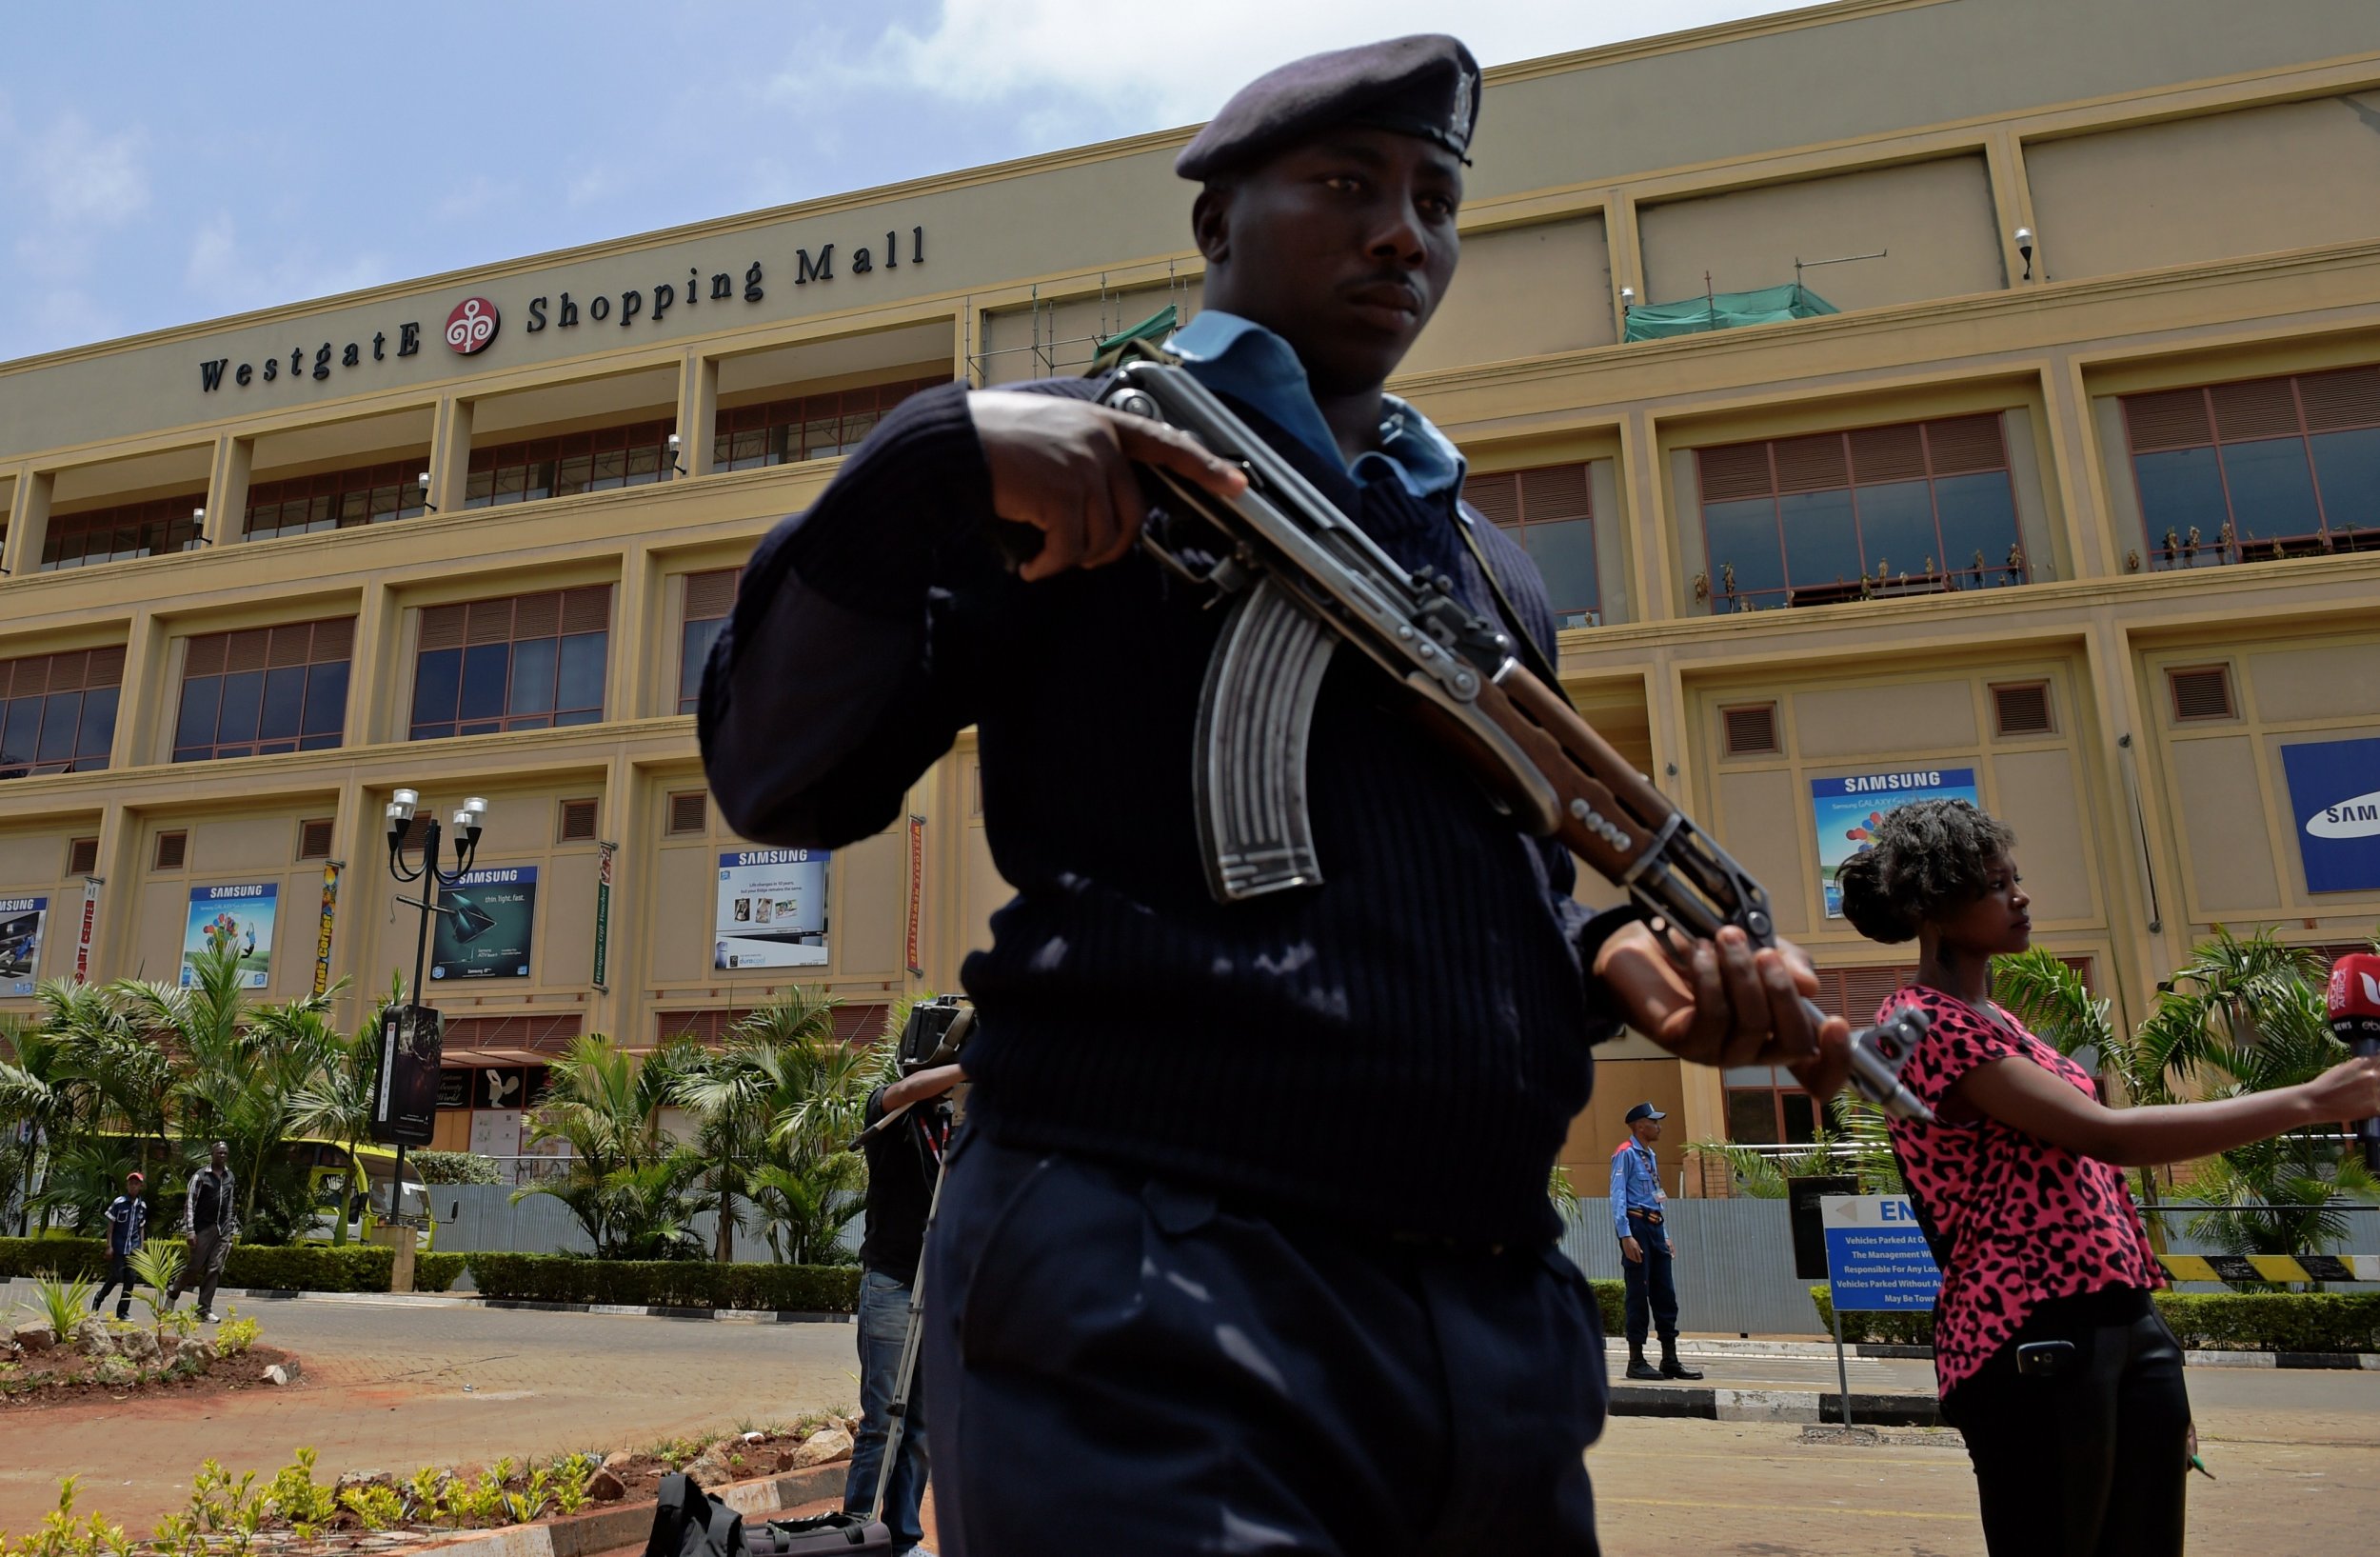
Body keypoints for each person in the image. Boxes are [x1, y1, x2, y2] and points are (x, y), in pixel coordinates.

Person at [703, 34, 1851, 1554]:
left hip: (1488, 1314)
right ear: (1215, 224)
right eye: (1348, 183)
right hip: (1159, 1274)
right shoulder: (1084, 456)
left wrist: (1616, 962)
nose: (1405, 231)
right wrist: (941, 451)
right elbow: (777, 770)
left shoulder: (1485, 564)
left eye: (1437, 198)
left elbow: (1454, 902)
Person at [1836, 798, 2380, 1557]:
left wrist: (2149, 1338)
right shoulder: (1920, 1022)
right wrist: (2312, 1100)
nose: (2021, 895)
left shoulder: (2001, 1019)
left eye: (2016, 877)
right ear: (1937, 902)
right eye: (1998, 884)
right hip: (2028, 1331)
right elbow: (2106, 1136)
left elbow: (2091, 1180)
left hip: (2119, 1322)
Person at [843, 1060, 962, 1557]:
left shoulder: (952, 1123)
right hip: (893, 1283)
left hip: (937, 1288)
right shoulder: (890, 1113)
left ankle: (903, 1539)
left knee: (922, 1428)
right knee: (882, 1423)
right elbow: (908, 1089)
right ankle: (858, 1536)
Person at [1610, 1104, 1700, 1382]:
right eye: (1654, 1122)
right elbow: (1618, 1196)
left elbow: (1656, 1198)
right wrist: (1626, 1235)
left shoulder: (1650, 1155)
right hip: (1636, 1226)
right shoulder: (1625, 1154)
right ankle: (1636, 1361)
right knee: (1638, 1293)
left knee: (1665, 1294)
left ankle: (1669, 1359)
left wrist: (1666, 1233)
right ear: (1639, 1126)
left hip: (1655, 1227)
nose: (1659, 1127)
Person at [168, 1141, 237, 1323]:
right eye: (219, 1153)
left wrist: (229, 1231)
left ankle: (204, 1309)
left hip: (222, 1229)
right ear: (212, 1154)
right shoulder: (200, 1176)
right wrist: (190, 1230)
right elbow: (190, 1203)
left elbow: (229, 1204)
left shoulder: (230, 1177)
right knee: (194, 1267)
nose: (222, 1156)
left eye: (225, 1153)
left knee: (215, 1268)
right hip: (202, 1228)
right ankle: (173, 1292)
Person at [90, 1169, 148, 1321]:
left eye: (136, 1184)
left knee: (131, 1279)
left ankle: (122, 1311)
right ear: (127, 1185)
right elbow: (111, 1225)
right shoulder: (119, 1203)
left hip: (133, 1248)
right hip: (119, 1246)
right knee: (116, 1276)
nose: (133, 1186)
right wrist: (109, 1245)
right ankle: (98, 1298)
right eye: (131, 1183)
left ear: (140, 1186)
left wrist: (141, 1248)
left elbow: (141, 1227)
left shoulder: (142, 1206)